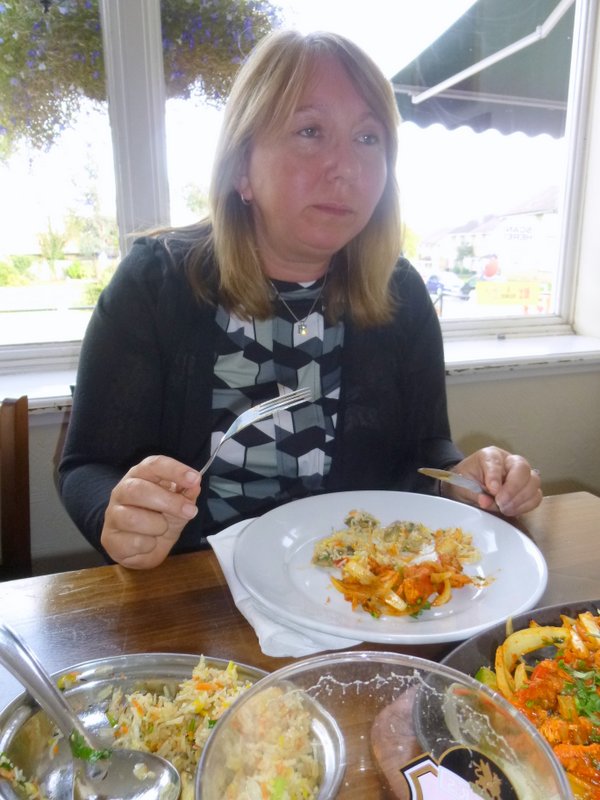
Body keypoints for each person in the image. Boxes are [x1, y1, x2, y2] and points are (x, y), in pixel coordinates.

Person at [58, 29, 542, 570]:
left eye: (368, 138)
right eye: (310, 131)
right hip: (199, 588)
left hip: (357, 590)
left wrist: (463, 478)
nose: (347, 168)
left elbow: (426, 448)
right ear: (242, 168)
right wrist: (120, 514)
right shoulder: (155, 281)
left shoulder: (401, 292)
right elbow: (87, 466)